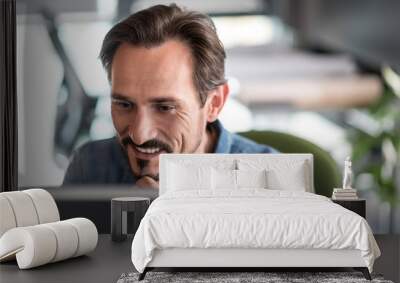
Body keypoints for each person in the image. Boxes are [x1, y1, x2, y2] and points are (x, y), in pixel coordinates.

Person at [63, 4, 276, 189]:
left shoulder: (270, 177)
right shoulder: (90, 167)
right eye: (125, 104)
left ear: (215, 103)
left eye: (165, 107)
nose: (140, 135)